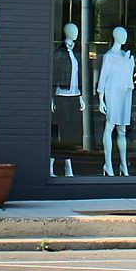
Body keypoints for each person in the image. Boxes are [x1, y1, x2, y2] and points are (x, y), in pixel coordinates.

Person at [96, 26, 136, 176]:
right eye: (121, 34)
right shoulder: (109, 56)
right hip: (112, 91)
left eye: (125, 34)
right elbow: (103, 77)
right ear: (115, 36)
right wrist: (101, 99)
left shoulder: (124, 55)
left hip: (125, 93)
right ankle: (108, 164)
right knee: (110, 125)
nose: (124, 37)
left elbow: (128, 75)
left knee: (122, 130)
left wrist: (129, 61)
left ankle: (124, 165)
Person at [50, 23, 85, 177]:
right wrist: (51, 97)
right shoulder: (59, 52)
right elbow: (54, 74)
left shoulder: (77, 51)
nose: (75, 33)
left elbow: (81, 74)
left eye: (76, 30)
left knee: (71, 132)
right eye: (72, 31)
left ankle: (68, 165)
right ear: (66, 33)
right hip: (62, 95)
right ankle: (51, 164)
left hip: (74, 95)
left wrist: (82, 96)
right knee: (60, 132)